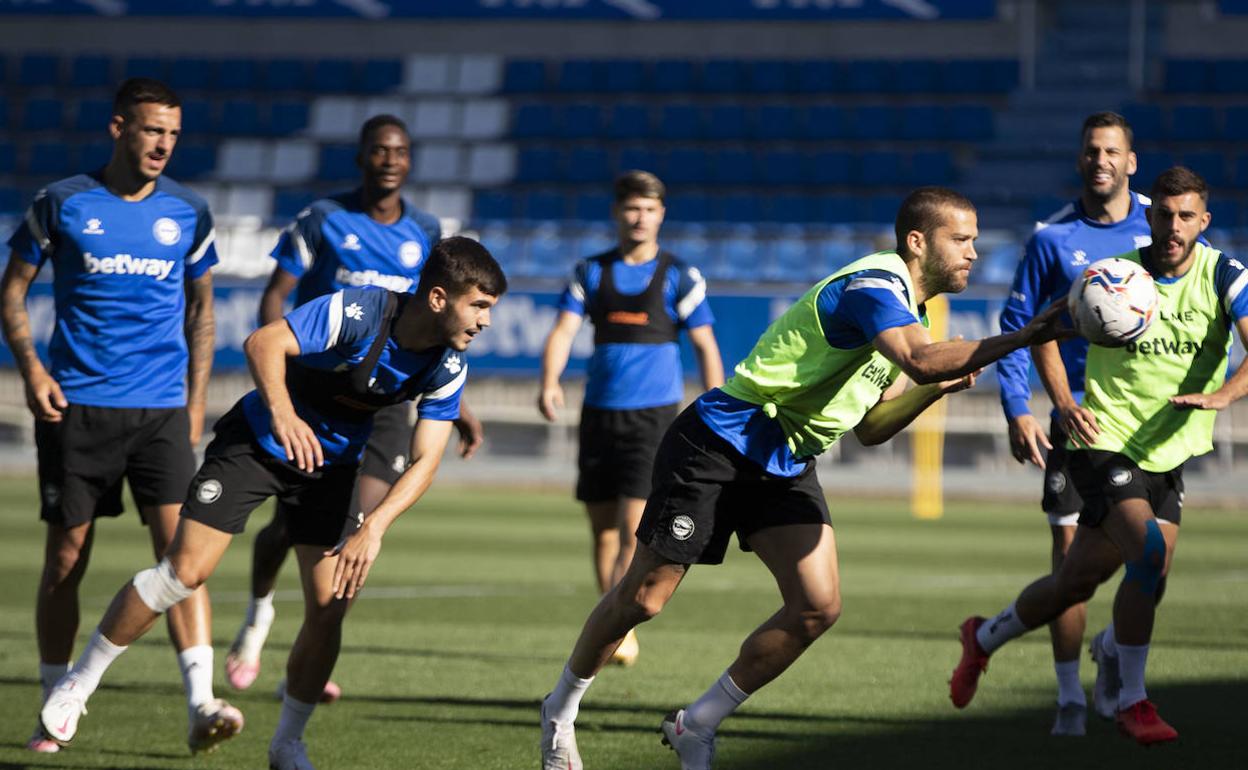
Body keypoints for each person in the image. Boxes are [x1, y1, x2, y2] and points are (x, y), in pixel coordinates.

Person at [539, 187, 1069, 770]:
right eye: (961, 240)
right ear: (918, 242)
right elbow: (921, 359)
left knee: (817, 605)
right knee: (644, 598)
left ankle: (699, 724)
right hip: (722, 441)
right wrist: (1023, 336)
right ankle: (559, 713)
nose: (973, 253)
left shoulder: (910, 314)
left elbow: (872, 427)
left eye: (974, 241)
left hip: (785, 460)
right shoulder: (873, 286)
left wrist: (933, 391)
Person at [38, 236, 506, 769]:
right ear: (439, 298)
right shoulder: (361, 310)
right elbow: (263, 342)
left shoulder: (448, 365)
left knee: (330, 607)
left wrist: (373, 528)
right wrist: (285, 417)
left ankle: (287, 744)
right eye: (479, 306)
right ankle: (77, 685)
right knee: (184, 571)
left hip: (331, 471)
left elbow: (426, 459)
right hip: (257, 445)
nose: (486, 321)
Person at [950, 167, 1248, 746]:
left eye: (1186, 217)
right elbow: (1042, 330)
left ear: (1203, 222)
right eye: (1165, 215)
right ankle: (1133, 700)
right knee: (1148, 554)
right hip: (1103, 440)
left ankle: (984, 638)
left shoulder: (1223, 275)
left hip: (1168, 451)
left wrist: (1224, 395)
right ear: (1150, 216)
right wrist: (1062, 403)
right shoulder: (1114, 276)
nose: (1174, 227)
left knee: (1078, 583)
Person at [0, 77, 238, 755]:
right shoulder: (63, 202)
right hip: (78, 407)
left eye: (173, 133)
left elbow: (203, 310)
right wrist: (33, 371)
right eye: (153, 130)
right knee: (66, 559)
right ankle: (54, 700)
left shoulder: (189, 211)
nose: (164, 144)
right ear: (118, 128)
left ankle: (200, 703)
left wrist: (196, 403)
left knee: (183, 557)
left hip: (161, 412)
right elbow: (12, 292)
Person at [224, 114, 484, 702]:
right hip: (319, 385)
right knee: (286, 526)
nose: (390, 160)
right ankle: (259, 615)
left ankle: (312, 649)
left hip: (387, 397)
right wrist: (280, 379)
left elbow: (440, 318)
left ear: (410, 161)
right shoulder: (322, 218)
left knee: (358, 521)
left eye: (400, 151)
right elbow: (276, 296)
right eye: (379, 150)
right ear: (362, 157)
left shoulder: (426, 229)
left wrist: (456, 403)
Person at [996, 111, 1154, 735]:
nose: (1101, 161)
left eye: (1112, 151)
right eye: (1091, 150)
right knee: (1068, 562)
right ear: (1080, 158)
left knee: (1147, 554)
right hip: (1077, 419)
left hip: (1146, 418)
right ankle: (1068, 698)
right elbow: (1019, 328)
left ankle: (1113, 648)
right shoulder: (1052, 238)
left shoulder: (1163, 227)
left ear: (1131, 161)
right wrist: (1018, 407)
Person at [538, 170, 724, 667]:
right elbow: (562, 331)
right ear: (617, 213)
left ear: (661, 215)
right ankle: (612, 620)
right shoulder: (590, 272)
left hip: (653, 419)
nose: (640, 217)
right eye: (632, 208)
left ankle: (619, 630)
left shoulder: (680, 276)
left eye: (649, 209)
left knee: (630, 527)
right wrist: (549, 380)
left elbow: (705, 344)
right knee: (600, 529)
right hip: (599, 414)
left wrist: (715, 403)